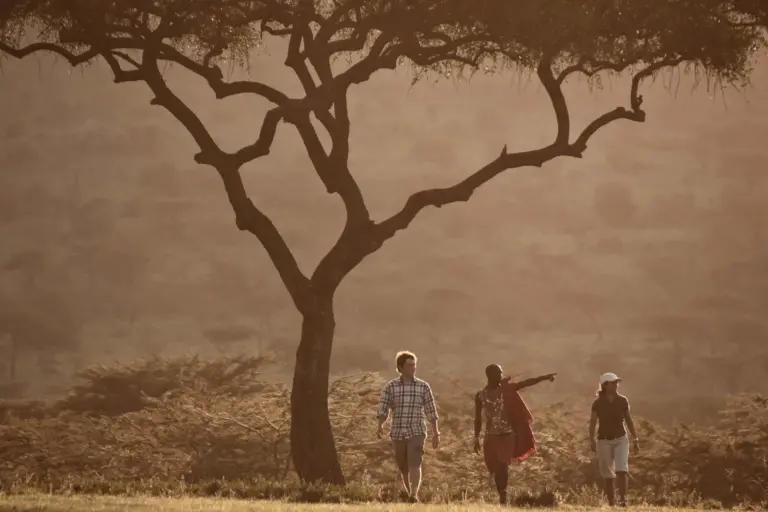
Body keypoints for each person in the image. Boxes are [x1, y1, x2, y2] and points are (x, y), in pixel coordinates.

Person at [473, 364, 557, 505]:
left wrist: (545, 377)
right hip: (491, 436)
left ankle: (503, 496)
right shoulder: (480, 395)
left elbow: (527, 383)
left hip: (507, 435)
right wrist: (476, 437)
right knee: (495, 467)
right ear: (490, 375)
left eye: (501, 373)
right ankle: (501, 494)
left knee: (503, 465)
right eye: (499, 374)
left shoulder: (507, 390)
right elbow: (478, 418)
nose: (501, 376)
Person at [376, 351, 439, 503]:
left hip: (416, 430)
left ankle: (413, 494)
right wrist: (380, 425)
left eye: (414, 365)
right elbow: (383, 407)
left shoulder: (423, 386)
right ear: (400, 367)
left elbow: (431, 410)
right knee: (403, 466)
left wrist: (435, 432)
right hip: (398, 432)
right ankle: (410, 493)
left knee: (415, 463)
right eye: (409, 365)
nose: (413, 368)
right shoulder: (391, 387)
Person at [589, 372, 640, 508]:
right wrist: (591, 439)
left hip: (620, 439)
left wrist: (635, 438)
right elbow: (593, 422)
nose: (616, 385)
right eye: (613, 383)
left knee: (622, 470)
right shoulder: (598, 403)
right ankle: (612, 504)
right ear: (605, 385)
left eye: (616, 383)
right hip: (603, 440)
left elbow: (628, 420)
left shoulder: (622, 400)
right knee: (608, 475)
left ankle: (623, 502)